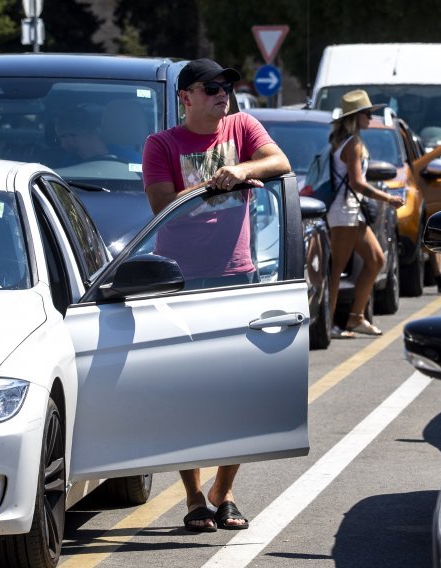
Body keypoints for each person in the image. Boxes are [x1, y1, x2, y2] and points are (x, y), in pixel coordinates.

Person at [141, 58, 290, 532]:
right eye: (211, 87)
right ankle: (191, 495)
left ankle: (223, 491)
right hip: (180, 281)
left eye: (226, 86)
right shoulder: (161, 144)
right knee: (187, 395)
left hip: (237, 277)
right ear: (186, 98)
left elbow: (280, 162)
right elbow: (164, 206)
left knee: (237, 395)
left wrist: (242, 168)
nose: (222, 93)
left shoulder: (242, 126)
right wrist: (214, 183)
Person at [327, 90, 404, 339]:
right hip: (345, 212)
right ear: (356, 117)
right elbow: (358, 183)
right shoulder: (354, 144)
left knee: (376, 260)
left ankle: (356, 318)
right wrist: (388, 198)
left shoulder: (345, 141)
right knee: (336, 270)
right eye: (367, 114)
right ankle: (328, 325)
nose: (371, 117)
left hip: (351, 212)